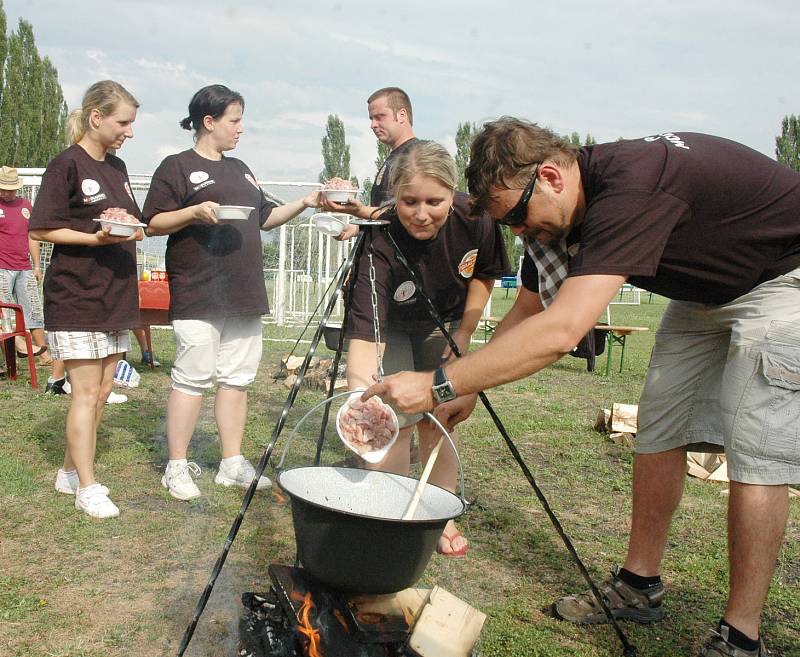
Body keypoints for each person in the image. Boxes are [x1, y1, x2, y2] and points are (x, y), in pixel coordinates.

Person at [363, 119, 800, 657]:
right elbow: (528, 308)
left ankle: (741, 635)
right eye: (510, 226)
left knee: (756, 453)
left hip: (783, 276)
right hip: (704, 290)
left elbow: (563, 330)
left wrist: (438, 383)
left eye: (519, 219)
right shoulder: (555, 208)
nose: (520, 234)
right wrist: (467, 388)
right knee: (659, 429)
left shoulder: (629, 193)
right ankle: (638, 587)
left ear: (549, 176)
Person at [143, 84, 321, 501]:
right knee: (192, 378)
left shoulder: (241, 167)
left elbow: (264, 217)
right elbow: (152, 223)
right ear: (209, 122)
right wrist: (193, 211)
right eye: (234, 120)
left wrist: (306, 202)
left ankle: (230, 463)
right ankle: (176, 466)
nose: (241, 129)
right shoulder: (176, 166)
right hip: (199, 290)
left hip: (243, 292)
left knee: (237, 380)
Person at [345, 140, 510, 556]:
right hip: (393, 325)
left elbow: (484, 275)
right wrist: (360, 399)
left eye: (434, 201)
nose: (421, 213)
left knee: (439, 417)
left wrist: (466, 333)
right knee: (393, 416)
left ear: (453, 192)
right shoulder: (378, 236)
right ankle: (393, 511)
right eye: (409, 201)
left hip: (448, 319)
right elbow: (367, 336)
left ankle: (438, 513)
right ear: (393, 197)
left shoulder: (476, 218)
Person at [29, 80, 143, 519]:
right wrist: (93, 239)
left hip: (115, 293)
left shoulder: (117, 168)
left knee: (104, 391)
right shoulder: (66, 165)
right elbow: (40, 229)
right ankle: (88, 487)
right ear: (96, 118)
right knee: (85, 392)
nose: (129, 132)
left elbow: (131, 221)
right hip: (77, 295)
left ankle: (69, 472)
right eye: (123, 122)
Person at [322, 87, 418, 234]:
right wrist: (356, 229)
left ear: (401, 115)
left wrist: (360, 210)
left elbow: (413, 212)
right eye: (371, 118)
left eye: (379, 117)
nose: (372, 125)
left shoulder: (418, 156)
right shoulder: (395, 156)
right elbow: (390, 220)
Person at [0, 166, 52, 366]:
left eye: (10, 189)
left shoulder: (25, 206)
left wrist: (37, 265)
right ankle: (8, 359)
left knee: (33, 309)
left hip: (24, 267)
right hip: (2, 266)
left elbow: (33, 237)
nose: (6, 193)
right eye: (3, 189)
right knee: (4, 311)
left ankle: (42, 353)